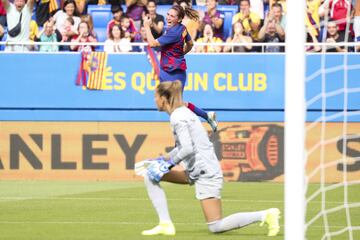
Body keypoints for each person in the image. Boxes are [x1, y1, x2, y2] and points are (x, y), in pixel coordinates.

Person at [136, 80, 281, 236]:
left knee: (216, 226)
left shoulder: (178, 117)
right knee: (151, 175)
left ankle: (266, 215)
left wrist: (169, 163)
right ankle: (165, 224)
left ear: (164, 99)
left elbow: (187, 148)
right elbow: (183, 147)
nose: (154, 100)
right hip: (196, 170)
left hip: (205, 172)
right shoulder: (182, 113)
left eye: (155, 96)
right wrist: (163, 160)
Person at [143, 5, 218, 131]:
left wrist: (146, 26)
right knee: (175, 104)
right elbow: (190, 43)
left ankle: (184, 134)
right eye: (168, 14)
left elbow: (152, 43)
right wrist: (180, 54)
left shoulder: (173, 32)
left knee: (174, 106)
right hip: (173, 70)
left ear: (178, 19)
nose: (168, 17)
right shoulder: (181, 28)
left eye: (172, 16)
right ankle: (206, 116)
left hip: (171, 72)